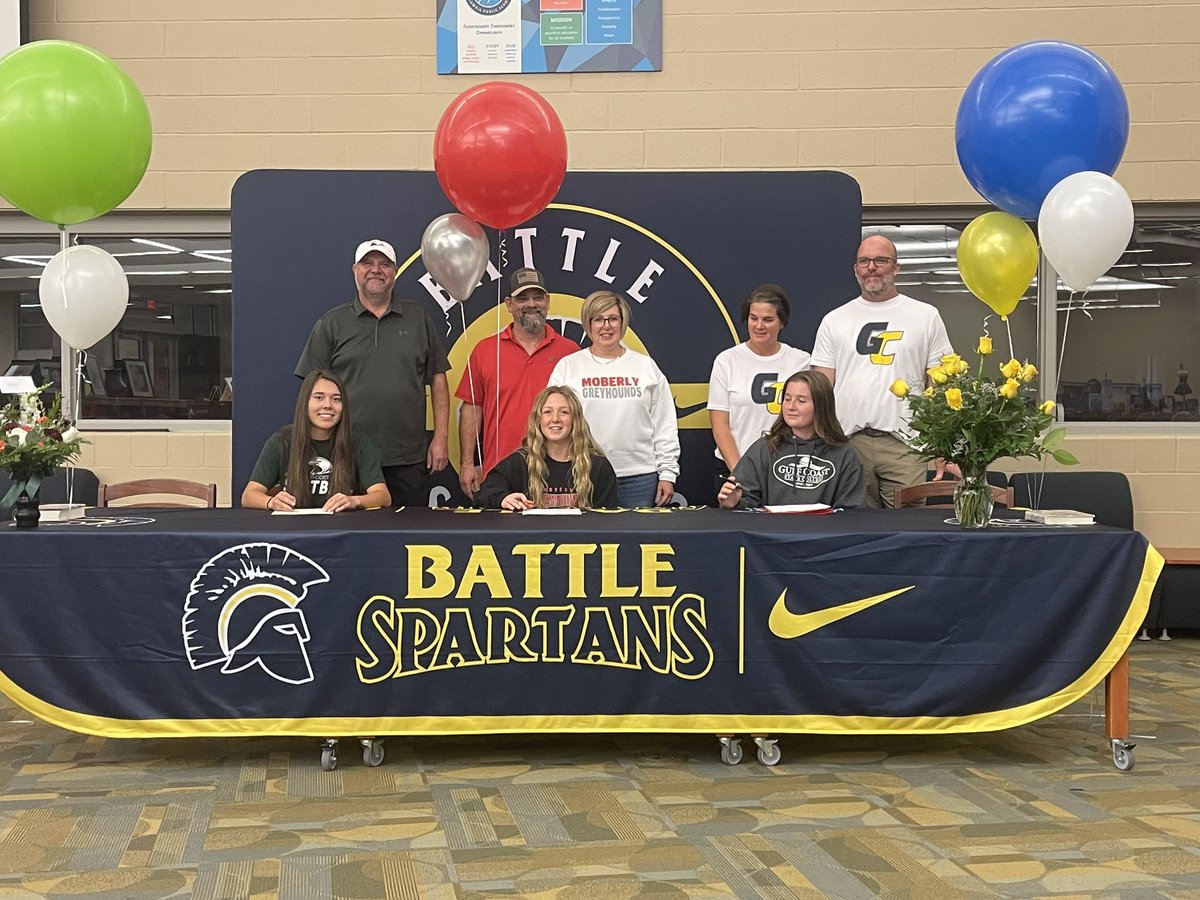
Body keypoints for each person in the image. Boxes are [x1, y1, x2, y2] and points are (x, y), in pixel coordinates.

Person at [295, 239, 450, 507]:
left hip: (409, 456)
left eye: (384, 264)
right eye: (367, 263)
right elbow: (312, 390)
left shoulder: (418, 318)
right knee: (352, 536)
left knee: (408, 536)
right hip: (346, 454)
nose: (376, 270)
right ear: (355, 270)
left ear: (395, 271)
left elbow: (438, 379)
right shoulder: (332, 323)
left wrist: (441, 438)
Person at [811, 235, 954, 508]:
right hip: (848, 443)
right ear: (856, 270)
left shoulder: (925, 316)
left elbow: (940, 385)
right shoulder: (834, 320)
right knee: (854, 528)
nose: (872, 267)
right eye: (864, 261)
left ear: (896, 268)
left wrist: (943, 447)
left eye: (881, 260)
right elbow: (821, 386)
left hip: (906, 446)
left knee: (909, 531)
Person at [548, 291, 680, 507]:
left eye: (613, 319)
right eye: (598, 319)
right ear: (588, 324)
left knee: (636, 540)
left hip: (639, 477)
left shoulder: (645, 367)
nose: (606, 326)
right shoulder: (568, 367)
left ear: (623, 323)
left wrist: (667, 473)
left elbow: (664, 425)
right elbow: (552, 425)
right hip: (584, 474)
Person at [456, 267, 578, 499]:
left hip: (557, 477)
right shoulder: (485, 350)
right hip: (499, 473)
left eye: (538, 297)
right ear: (509, 304)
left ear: (548, 301)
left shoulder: (570, 352)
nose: (531, 304)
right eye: (522, 298)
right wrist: (467, 463)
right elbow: (472, 408)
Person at [707, 283, 811, 495]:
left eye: (768, 319)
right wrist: (741, 473)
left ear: (782, 322)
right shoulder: (727, 361)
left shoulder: (801, 362)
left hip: (787, 472)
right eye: (754, 318)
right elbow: (719, 423)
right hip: (734, 471)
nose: (759, 326)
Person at [243, 369, 391, 512]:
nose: (328, 405)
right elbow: (248, 495)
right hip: (293, 529)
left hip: (343, 529)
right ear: (305, 402)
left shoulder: (359, 444)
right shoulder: (281, 441)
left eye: (336, 399)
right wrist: (271, 502)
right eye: (319, 397)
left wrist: (354, 501)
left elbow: (383, 496)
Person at [718, 370, 865, 510]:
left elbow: (851, 511)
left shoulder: (844, 454)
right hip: (772, 533)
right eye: (787, 399)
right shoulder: (765, 447)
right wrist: (735, 502)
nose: (790, 406)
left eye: (801, 401)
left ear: (821, 406)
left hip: (824, 534)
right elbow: (747, 501)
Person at [476, 385, 618, 510]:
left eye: (564, 412)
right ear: (538, 420)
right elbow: (484, 493)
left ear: (576, 419)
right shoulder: (521, 461)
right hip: (532, 539)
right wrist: (502, 498)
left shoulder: (598, 465)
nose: (555, 419)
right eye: (547, 412)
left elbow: (607, 520)